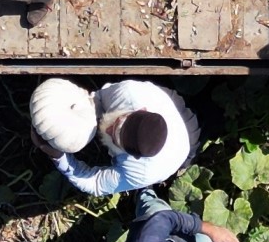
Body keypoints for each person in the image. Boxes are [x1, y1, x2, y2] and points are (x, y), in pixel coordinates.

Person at [53, 79, 197, 198]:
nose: (108, 131)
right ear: (141, 110)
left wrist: (59, 157)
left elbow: (95, 183)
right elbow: (98, 98)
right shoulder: (128, 93)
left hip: (186, 141)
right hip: (169, 104)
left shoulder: (141, 172)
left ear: (134, 156)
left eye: (116, 139)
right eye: (117, 123)